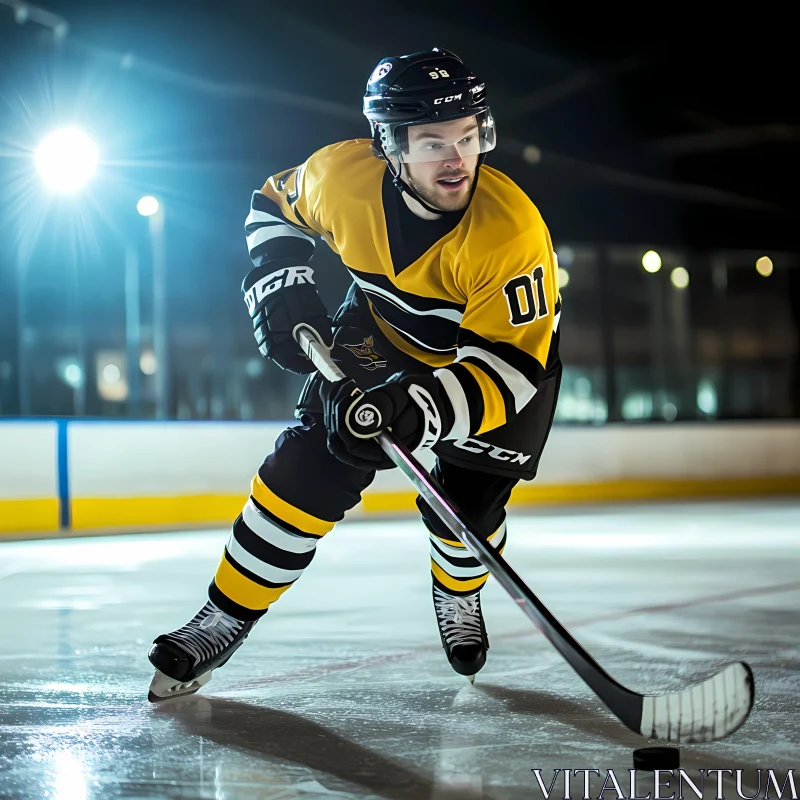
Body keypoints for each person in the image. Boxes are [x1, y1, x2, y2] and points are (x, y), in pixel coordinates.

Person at [147, 47, 562, 701]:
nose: (458, 161)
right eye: (433, 143)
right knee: (304, 472)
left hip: (491, 364)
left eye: (468, 135)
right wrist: (281, 277)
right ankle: (224, 615)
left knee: (465, 512)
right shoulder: (341, 178)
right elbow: (270, 204)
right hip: (382, 338)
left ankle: (457, 591)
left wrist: (422, 410)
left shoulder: (511, 234)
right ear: (389, 146)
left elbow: (508, 367)